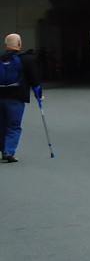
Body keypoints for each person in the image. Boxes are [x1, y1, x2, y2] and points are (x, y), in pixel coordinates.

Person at [0, 33, 44, 163]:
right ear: (19, 44)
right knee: (14, 126)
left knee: (1, 125)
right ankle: (9, 151)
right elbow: (35, 80)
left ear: (6, 44)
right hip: (16, 97)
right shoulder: (26, 60)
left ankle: (3, 150)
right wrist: (39, 95)